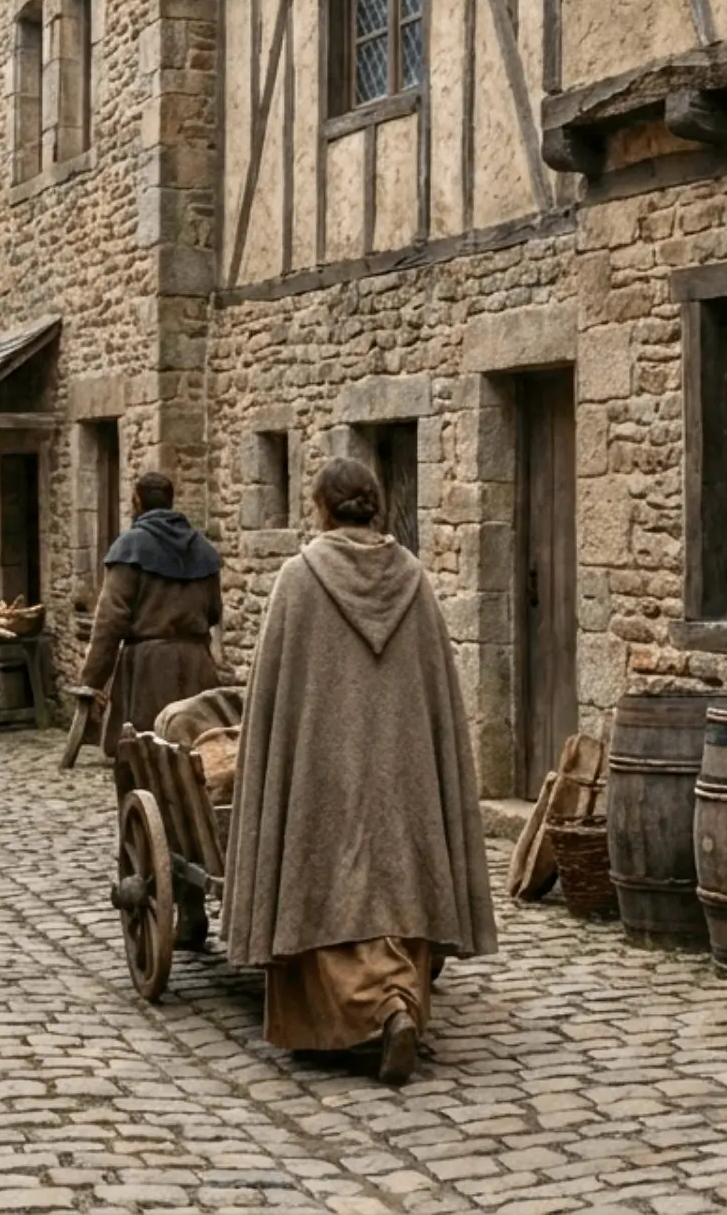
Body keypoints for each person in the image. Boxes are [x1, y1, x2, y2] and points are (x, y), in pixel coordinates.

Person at [224, 458, 496, 1086]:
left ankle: (372, 1011)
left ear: (320, 507)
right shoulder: (417, 581)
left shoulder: (297, 580)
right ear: (375, 506)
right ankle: (400, 1001)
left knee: (324, 894)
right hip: (402, 778)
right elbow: (439, 697)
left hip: (321, 775)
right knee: (397, 890)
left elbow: (270, 698)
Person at [76, 472, 224, 756]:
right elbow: (214, 612)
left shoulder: (129, 546)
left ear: (138, 501)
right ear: (170, 502)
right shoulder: (203, 550)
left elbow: (110, 622)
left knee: (146, 758)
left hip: (148, 671)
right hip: (197, 667)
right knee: (197, 755)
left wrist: (91, 681)